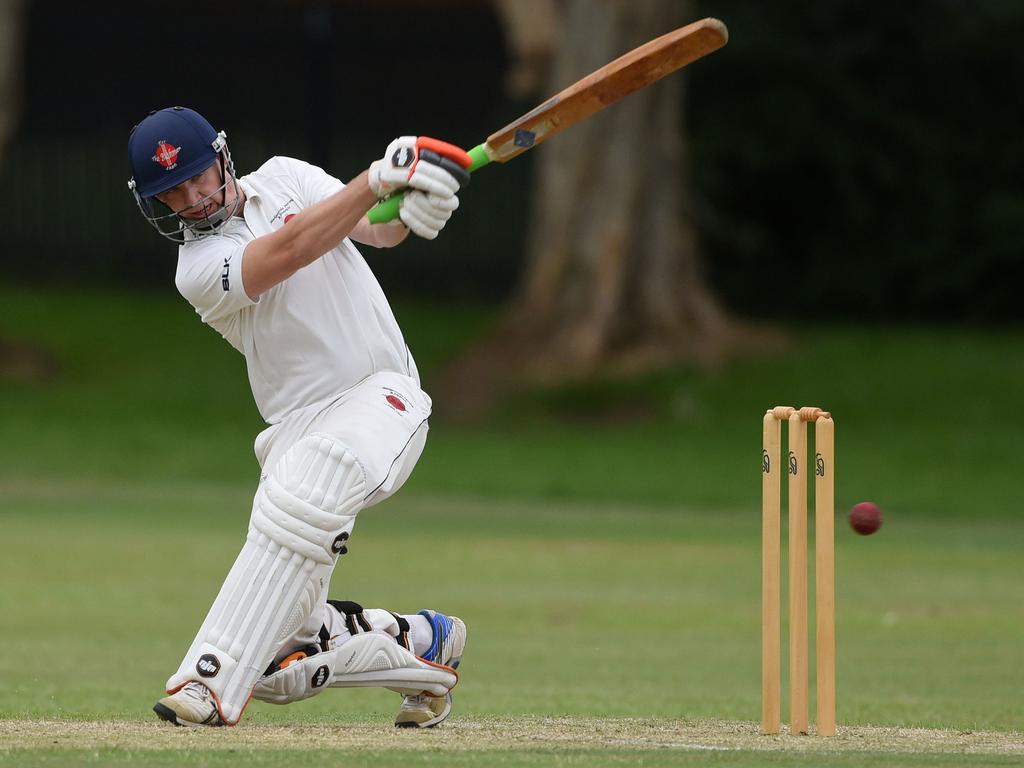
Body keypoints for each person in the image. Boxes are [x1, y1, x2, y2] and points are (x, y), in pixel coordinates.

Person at [126, 106, 469, 729]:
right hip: (294, 428)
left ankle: (205, 683)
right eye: (172, 192)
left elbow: (373, 229)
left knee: (317, 474)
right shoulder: (196, 270)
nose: (192, 196)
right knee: (286, 664)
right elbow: (288, 249)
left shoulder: (287, 176)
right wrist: (377, 178)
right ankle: (424, 647)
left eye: (199, 175)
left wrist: (411, 207)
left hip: (382, 396)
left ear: (223, 158)